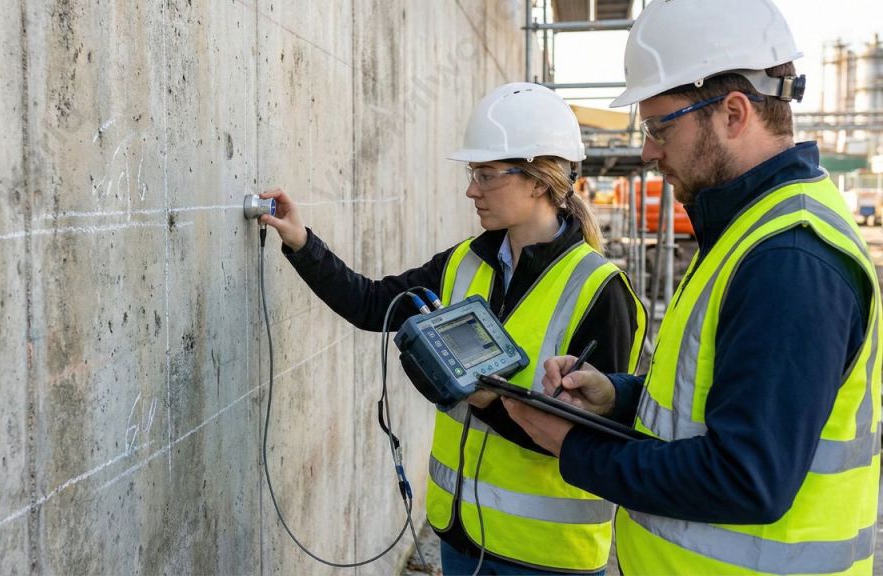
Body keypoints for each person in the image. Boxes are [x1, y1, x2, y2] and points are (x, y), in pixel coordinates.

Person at [503, 1, 882, 575]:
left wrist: (575, 449)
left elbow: (746, 479)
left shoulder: (789, 259)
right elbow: (711, 408)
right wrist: (617, 396)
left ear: (733, 113)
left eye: (660, 126)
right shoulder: (745, 230)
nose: (649, 150)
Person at [259, 83, 647, 575]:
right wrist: (301, 242)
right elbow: (372, 303)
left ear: (538, 180)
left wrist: (481, 398)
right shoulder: (466, 262)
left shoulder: (601, 290)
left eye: (486, 176)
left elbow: (595, 443)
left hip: (543, 557)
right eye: (472, 174)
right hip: (461, 541)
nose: (471, 190)